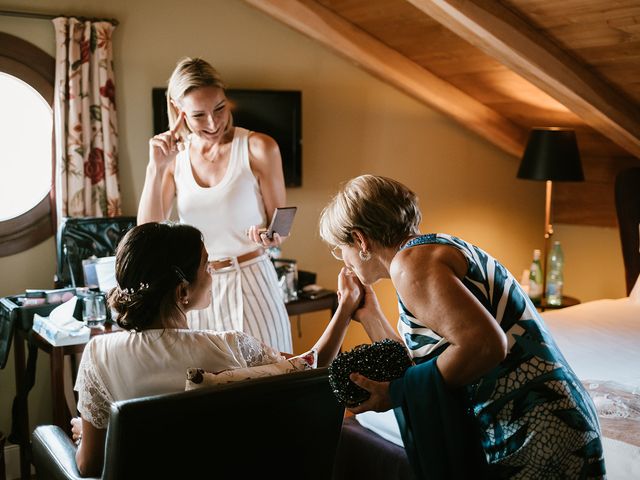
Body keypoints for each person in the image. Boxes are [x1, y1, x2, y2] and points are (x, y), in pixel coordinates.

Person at [319, 175, 605, 479]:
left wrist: (399, 392)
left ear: (361, 240)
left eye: (340, 249)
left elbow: (485, 346)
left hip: (535, 429)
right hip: (545, 422)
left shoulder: (412, 265)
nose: (344, 262)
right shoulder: (429, 251)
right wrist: (371, 316)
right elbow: (432, 363)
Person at [71, 222, 360, 476]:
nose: (212, 274)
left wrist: (92, 437)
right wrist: (346, 306)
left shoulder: (98, 354)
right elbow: (311, 366)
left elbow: (90, 467)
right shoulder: (230, 346)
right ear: (182, 292)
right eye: (206, 266)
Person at [138, 57, 292, 352]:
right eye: (199, 115)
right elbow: (148, 234)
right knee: (205, 391)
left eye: (220, 108)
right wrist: (155, 169)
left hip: (253, 281)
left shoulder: (260, 147)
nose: (213, 123)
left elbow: (281, 224)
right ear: (178, 110)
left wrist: (270, 236)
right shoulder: (174, 161)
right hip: (197, 291)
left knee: (273, 381)